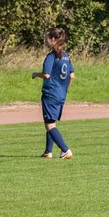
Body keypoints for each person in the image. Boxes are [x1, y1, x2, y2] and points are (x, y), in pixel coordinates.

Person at [32, 28, 75, 159]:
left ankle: (65, 150)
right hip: (61, 94)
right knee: (50, 120)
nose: (45, 41)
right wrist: (64, 89)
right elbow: (72, 76)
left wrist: (35, 74)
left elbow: (46, 75)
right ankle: (48, 151)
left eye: (46, 38)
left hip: (50, 93)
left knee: (49, 124)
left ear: (53, 39)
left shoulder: (51, 56)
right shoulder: (66, 56)